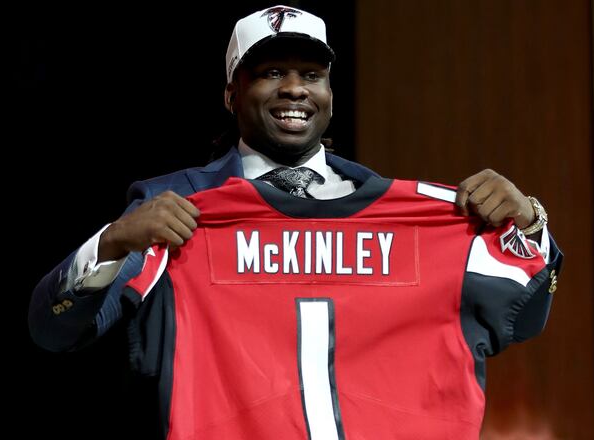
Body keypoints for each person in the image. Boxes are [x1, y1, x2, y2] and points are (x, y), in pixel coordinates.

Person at [29, 5, 562, 440]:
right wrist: (113, 242)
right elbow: (53, 330)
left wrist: (529, 224)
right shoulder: (180, 209)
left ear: (330, 93)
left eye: (311, 75)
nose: (294, 89)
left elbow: (524, 318)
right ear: (231, 94)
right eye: (270, 73)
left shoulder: (418, 219)